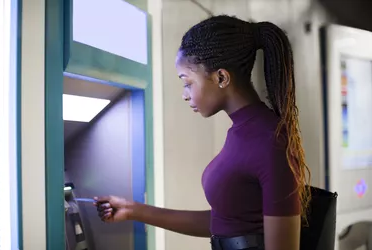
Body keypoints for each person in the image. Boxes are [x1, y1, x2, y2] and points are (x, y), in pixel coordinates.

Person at [94, 15, 311, 250]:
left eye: (187, 82)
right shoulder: (243, 131)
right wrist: (133, 210)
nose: (184, 94)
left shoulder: (270, 141)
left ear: (221, 77)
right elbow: (227, 222)